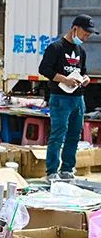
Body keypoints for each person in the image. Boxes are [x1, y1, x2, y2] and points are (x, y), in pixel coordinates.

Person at [39, 14, 94, 181]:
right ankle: (52, 171)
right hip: (60, 97)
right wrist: (64, 79)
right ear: (75, 28)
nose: (86, 37)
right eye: (85, 33)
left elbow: (82, 71)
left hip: (78, 98)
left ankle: (68, 168)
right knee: (58, 134)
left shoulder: (80, 51)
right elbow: (44, 69)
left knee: (74, 134)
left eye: (88, 35)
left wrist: (86, 79)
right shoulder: (56, 48)